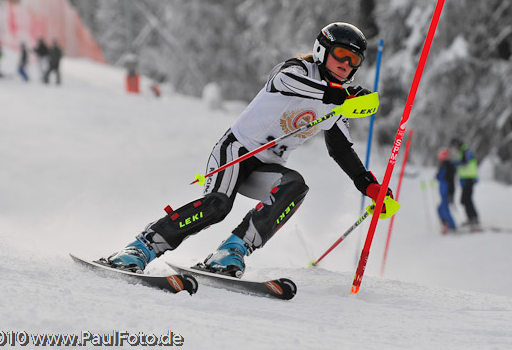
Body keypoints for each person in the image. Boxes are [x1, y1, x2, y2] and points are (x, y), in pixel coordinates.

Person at [103, 22, 394, 277]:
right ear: (322, 51)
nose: (347, 63)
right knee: (217, 205)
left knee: (295, 186)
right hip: (237, 151)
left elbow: (341, 150)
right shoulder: (297, 70)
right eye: (341, 54)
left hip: (266, 165)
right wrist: (343, 96)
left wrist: (370, 187)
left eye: (354, 59)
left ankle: (231, 251)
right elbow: (284, 82)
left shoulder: (336, 105)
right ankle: (142, 247)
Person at [451, 138, 480, 229]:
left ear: (457, 144)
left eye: (454, 146)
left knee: (465, 199)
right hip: (465, 179)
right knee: (466, 199)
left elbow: (465, 163)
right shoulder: (462, 152)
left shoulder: (465, 151)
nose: (454, 148)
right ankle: (472, 218)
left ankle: (473, 218)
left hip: (469, 179)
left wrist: (455, 164)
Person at [436, 148, 456, 234]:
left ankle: (451, 225)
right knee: (440, 208)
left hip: (446, 190)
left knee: (444, 208)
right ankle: (446, 223)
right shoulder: (447, 165)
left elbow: (440, 176)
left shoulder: (446, 165)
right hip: (445, 190)